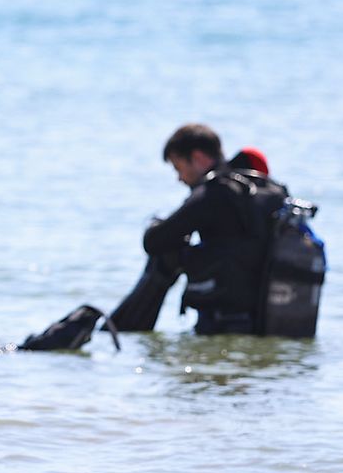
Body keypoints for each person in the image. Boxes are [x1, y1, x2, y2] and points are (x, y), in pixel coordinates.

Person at [111, 124, 279, 335]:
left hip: (225, 324)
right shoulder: (264, 190)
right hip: (270, 318)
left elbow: (154, 241)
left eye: (178, 167)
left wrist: (155, 225)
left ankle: (121, 332)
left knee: (167, 253)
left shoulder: (214, 193)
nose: (179, 178)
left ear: (198, 158)